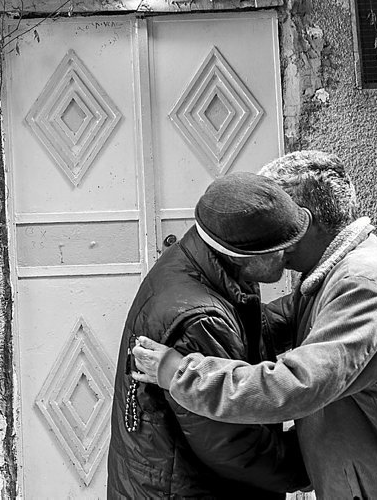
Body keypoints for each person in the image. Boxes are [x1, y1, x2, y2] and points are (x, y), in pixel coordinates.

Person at [131, 150, 377, 498]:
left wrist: (179, 373)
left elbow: (297, 385)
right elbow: (284, 318)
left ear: (301, 223)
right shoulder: (334, 276)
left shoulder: (365, 285)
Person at [106, 171, 310, 499]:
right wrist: (315, 461)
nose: (288, 255)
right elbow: (235, 448)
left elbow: (245, 337)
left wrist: (313, 299)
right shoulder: (199, 318)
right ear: (243, 253)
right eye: (280, 249)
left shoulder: (202, 262)